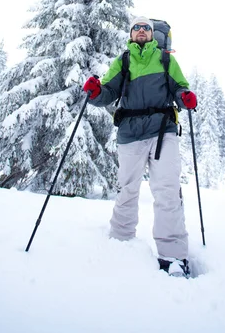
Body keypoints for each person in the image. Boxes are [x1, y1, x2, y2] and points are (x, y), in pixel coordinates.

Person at [83, 16, 197, 278]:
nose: (143, 31)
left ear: (153, 34)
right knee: (127, 189)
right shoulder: (123, 61)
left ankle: (173, 255)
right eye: (138, 28)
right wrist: (95, 92)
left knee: (167, 191)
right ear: (131, 34)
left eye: (147, 28)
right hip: (130, 133)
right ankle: (120, 242)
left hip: (162, 131)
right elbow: (108, 92)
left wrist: (185, 97)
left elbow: (180, 87)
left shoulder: (166, 60)